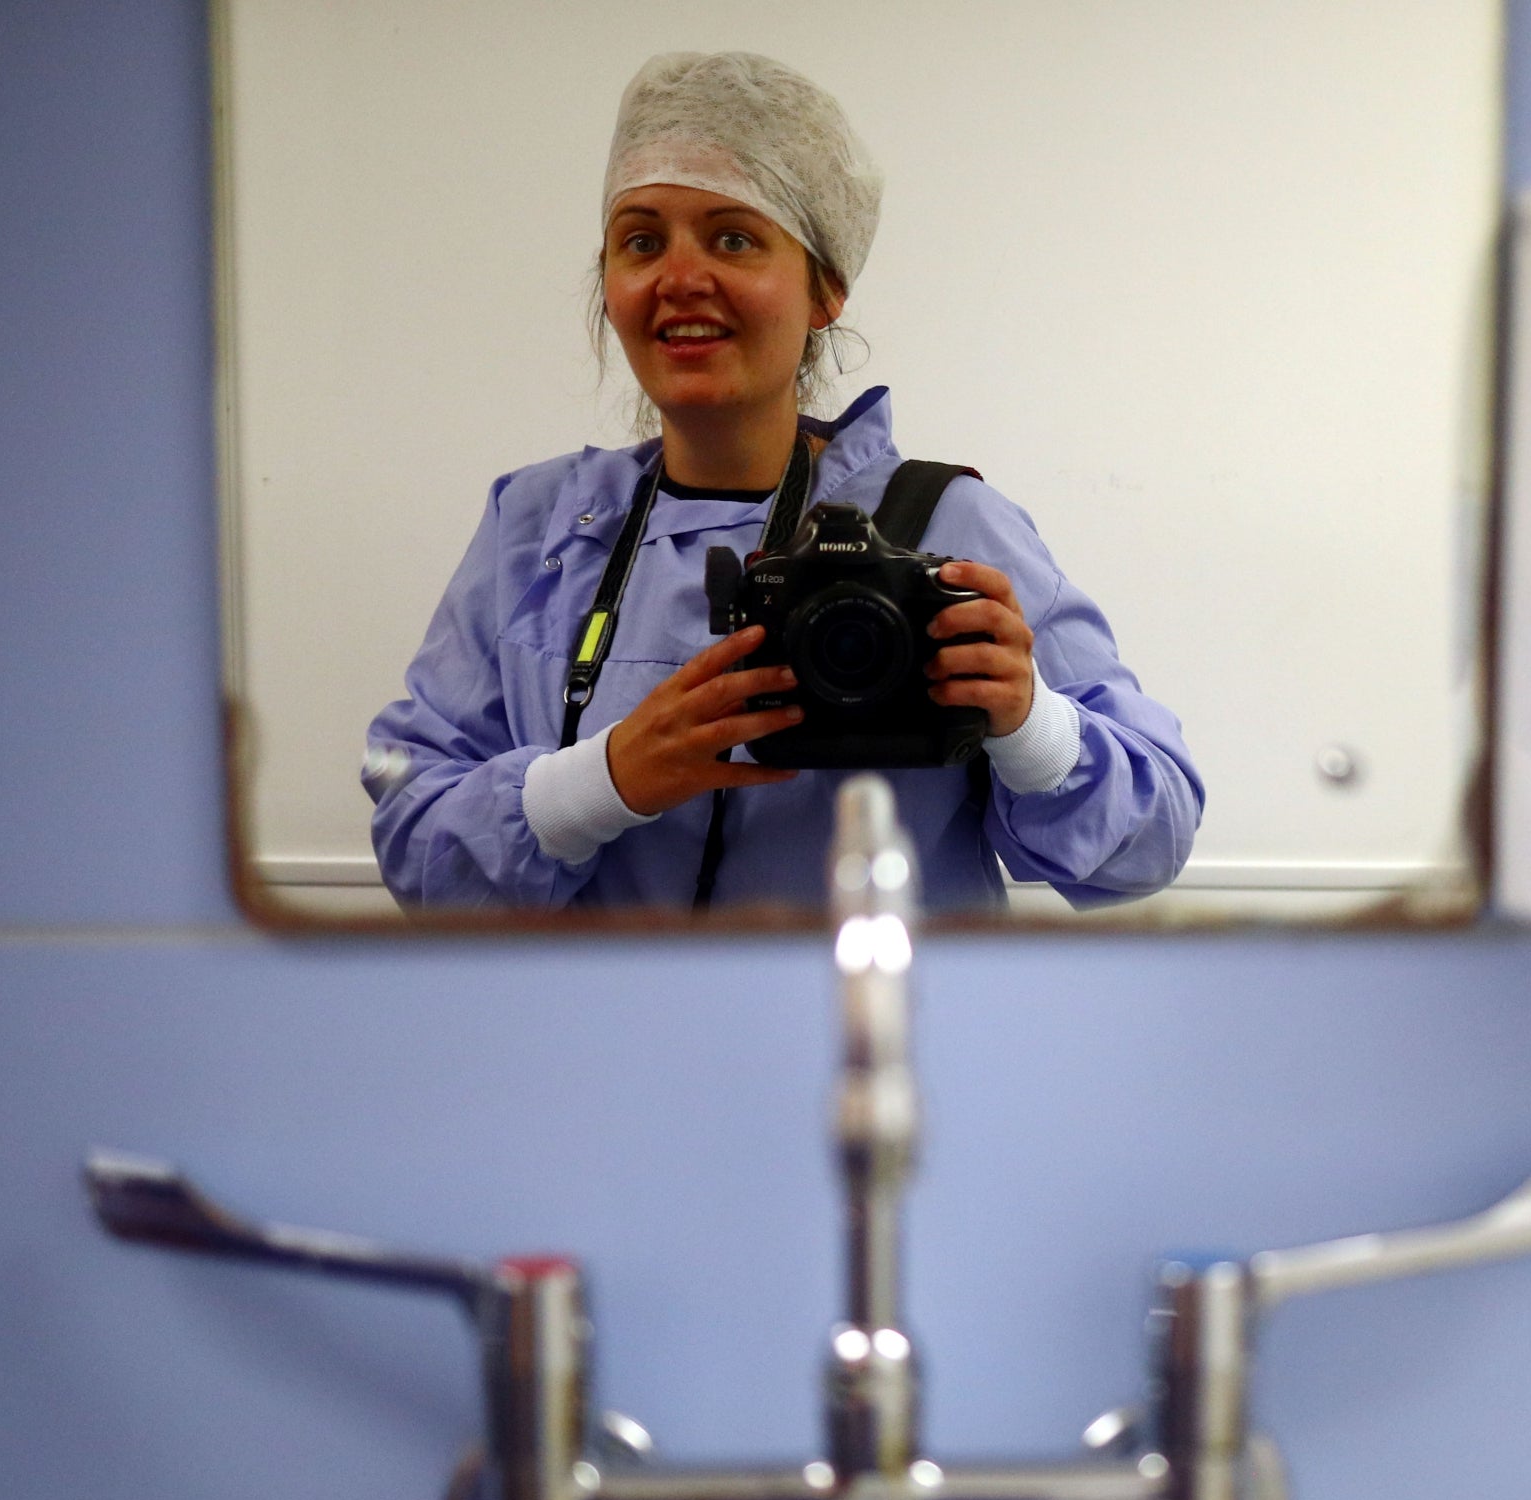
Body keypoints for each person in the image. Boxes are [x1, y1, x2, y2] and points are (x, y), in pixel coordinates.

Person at [363, 50, 1201, 914]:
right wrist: (606, 779)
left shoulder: (948, 526)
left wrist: (1031, 726)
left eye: (734, 237)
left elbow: (1153, 842)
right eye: (641, 240)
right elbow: (414, 842)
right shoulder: (537, 530)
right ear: (609, 282)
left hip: (871, 1035)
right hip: (596, 1042)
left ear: (826, 288)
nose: (681, 279)